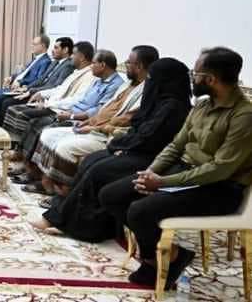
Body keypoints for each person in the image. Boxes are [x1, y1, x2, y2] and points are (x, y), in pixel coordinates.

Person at [99, 47, 252, 289]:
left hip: (219, 189)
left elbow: (219, 169)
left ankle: (159, 262)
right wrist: (151, 172)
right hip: (183, 173)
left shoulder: (244, 116)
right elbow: (176, 145)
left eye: (195, 73)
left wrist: (162, 182)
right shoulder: (202, 106)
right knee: (111, 195)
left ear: (211, 79)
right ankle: (171, 255)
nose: (192, 78)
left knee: (139, 211)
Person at [31, 57, 192, 242]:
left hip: (153, 159)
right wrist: (119, 145)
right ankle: (67, 217)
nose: (148, 82)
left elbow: (149, 138)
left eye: (152, 78)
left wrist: (120, 146)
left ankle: (77, 226)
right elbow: (137, 129)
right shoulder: (159, 101)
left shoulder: (172, 107)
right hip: (137, 151)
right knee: (91, 161)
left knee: (99, 171)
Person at [31, 46, 158, 196]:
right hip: (92, 124)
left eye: (128, 62)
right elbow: (105, 108)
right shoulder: (128, 84)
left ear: (140, 66)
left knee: (63, 147)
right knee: (47, 135)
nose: (125, 65)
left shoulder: (145, 91)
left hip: (107, 135)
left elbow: (123, 120)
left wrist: (91, 126)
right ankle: (47, 182)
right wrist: (89, 121)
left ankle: (64, 192)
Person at [4, 42, 96, 179]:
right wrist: (42, 94)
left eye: (73, 54)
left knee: (37, 124)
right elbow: (60, 89)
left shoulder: (90, 76)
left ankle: (29, 167)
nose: (71, 57)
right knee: (32, 121)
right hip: (55, 105)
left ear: (82, 57)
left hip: (64, 110)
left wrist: (49, 104)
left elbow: (76, 99)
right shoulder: (77, 72)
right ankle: (22, 158)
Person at [0, 37, 75, 125]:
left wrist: (31, 91)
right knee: (1, 98)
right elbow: (41, 79)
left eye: (56, 48)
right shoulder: (55, 62)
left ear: (65, 50)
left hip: (43, 96)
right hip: (35, 91)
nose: (52, 50)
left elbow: (55, 86)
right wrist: (27, 88)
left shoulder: (68, 66)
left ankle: (3, 129)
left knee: (6, 102)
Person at [0, 35, 52, 115]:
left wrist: (20, 82)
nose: (31, 46)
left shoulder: (45, 61)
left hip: (24, 89)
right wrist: (11, 78)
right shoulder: (36, 59)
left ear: (43, 46)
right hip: (15, 87)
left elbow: (38, 79)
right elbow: (24, 73)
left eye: (34, 44)